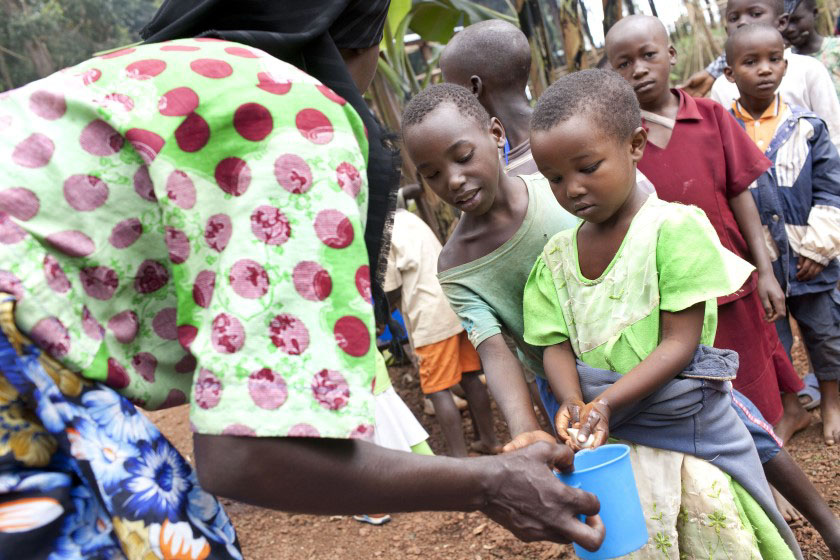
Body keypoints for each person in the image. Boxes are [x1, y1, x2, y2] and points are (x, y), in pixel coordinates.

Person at [0, 1, 609, 556]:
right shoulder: (288, 109)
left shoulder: (151, 74)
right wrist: (487, 484)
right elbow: (246, 451)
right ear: (359, 40)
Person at [523, 66, 799, 560]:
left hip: (685, 437)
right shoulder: (555, 259)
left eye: (587, 167)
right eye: (555, 179)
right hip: (612, 448)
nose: (572, 189)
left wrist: (604, 402)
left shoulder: (672, 230)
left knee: (710, 534)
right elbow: (553, 343)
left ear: (634, 145)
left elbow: (679, 343)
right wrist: (570, 399)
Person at [607, 14, 811, 444]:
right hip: (676, 292)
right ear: (613, 71)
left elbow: (741, 195)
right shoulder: (621, 140)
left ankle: (773, 458)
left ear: (671, 54)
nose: (639, 69)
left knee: (753, 368)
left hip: (731, 275)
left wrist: (766, 271)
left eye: (648, 55)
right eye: (624, 64)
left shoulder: (711, 116)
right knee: (708, 383)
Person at [725, 24, 840, 448]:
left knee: (825, 332)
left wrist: (818, 246)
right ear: (729, 74)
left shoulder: (808, 127)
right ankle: (791, 406)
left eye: (774, 60)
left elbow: (832, 189)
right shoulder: (724, 132)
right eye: (750, 62)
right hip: (760, 264)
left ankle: (830, 402)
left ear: (786, 66)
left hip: (811, 260)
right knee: (773, 341)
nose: (765, 70)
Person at [384, 207, 501, 457]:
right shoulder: (407, 217)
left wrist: (381, 317)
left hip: (429, 317)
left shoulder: (384, 229)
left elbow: (390, 288)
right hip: (454, 302)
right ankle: (489, 441)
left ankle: (459, 458)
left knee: (437, 389)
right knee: (470, 377)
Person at [710, 0, 840, 152]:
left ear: (782, 22)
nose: (743, 22)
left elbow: (833, 135)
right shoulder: (721, 87)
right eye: (734, 18)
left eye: (755, 14)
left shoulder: (809, 70)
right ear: (727, 30)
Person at [784, 0, 840, 97]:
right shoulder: (783, 60)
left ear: (814, 13)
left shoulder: (836, 49)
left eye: (795, 20)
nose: (790, 29)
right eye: (784, 22)